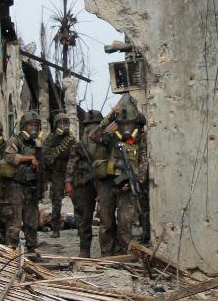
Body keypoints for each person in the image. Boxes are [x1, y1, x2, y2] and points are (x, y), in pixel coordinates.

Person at [91, 100, 146, 256]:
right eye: (123, 124)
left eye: (130, 124)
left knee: (125, 222)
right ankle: (107, 255)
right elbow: (93, 136)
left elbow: (144, 165)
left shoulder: (141, 139)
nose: (126, 128)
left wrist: (134, 179)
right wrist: (109, 118)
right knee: (106, 222)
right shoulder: (110, 137)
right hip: (107, 185)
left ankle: (122, 255)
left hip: (128, 187)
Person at [0, 110, 42, 253]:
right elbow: (9, 157)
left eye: (36, 126)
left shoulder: (38, 144)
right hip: (15, 185)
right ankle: (12, 248)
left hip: (32, 186)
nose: (33, 129)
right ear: (24, 126)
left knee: (31, 219)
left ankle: (32, 247)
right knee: (14, 219)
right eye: (30, 126)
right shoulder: (15, 140)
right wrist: (29, 159)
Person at [65, 109, 104, 257]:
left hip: (102, 182)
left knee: (106, 217)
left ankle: (108, 250)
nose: (91, 128)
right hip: (84, 183)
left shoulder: (105, 142)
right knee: (84, 216)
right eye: (89, 125)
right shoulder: (79, 145)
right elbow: (71, 164)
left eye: (95, 125)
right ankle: (84, 249)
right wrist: (68, 182)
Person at [43, 112, 76, 237]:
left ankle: (81, 228)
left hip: (70, 173)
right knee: (56, 201)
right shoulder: (51, 138)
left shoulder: (71, 139)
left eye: (66, 122)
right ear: (56, 124)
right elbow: (44, 156)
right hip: (57, 174)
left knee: (76, 200)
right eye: (61, 123)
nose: (64, 125)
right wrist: (51, 160)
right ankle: (55, 229)